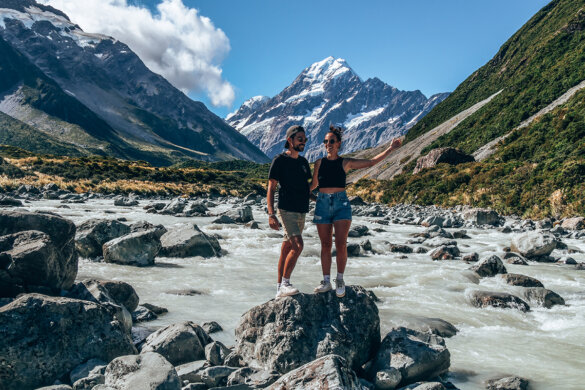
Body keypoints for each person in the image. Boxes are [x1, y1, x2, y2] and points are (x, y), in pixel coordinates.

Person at [310, 125, 402, 297]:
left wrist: (390, 149)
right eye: (325, 141)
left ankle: (339, 279)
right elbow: (314, 185)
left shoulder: (346, 162)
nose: (327, 144)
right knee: (325, 245)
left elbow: (371, 162)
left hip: (341, 204)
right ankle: (325, 280)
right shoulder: (318, 163)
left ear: (338, 144)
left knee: (341, 244)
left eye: (331, 141)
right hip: (322, 203)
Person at [267, 125, 312, 298]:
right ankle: (286, 283)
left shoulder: (303, 162)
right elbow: (271, 188)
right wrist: (271, 214)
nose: (303, 142)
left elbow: (306, 189)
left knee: (286, 248)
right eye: (300, 139)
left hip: (301, 210)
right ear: (290, 140)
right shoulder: (279, 160)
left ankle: (279, 289)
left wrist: (321, 198)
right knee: (298, 246)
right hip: (286, 210)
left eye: (305, 139)